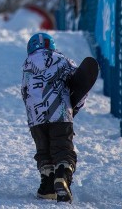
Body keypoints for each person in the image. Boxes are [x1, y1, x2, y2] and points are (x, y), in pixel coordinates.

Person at [20, 33, 85, 202]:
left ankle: (47, 186)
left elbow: (24, 92)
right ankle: (62, 175)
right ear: (52, 46)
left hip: (36, 118)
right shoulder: (62, 60)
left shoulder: (27, 64)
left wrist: (32, 116)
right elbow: (81, 81)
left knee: (44, 151)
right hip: (60, 113)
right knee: (62, 147)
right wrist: (75, 107)